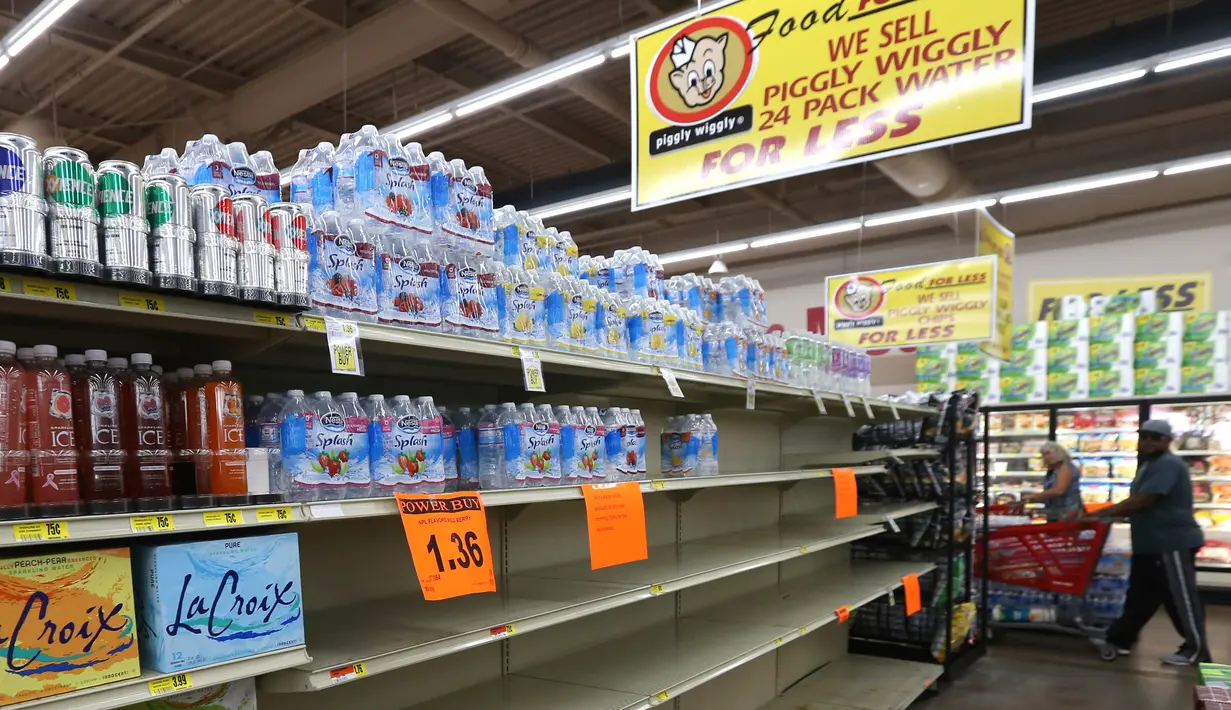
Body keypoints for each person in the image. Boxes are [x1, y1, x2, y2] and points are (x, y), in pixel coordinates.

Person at [1087, 419, 1209, 665]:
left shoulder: (1168, 464)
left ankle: (1197, 650)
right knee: (1141, 595)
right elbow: (1139, 504)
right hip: (1149, 542)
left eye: (1156, 437)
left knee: (1180, 598)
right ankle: (1120, 639)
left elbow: (1144, 501)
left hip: (1171, 543)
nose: (1149, 442)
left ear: (1168, 440)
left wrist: (1101, 513)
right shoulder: (1148, 465)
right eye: (1144, 436)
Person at [1023, 441, 1082, 521]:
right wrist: (1033, 501)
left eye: (1048, 453)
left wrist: (1036, 496)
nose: (1045, 457)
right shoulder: (1053, 471)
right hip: (1056, 514)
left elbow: (1059, 490)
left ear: (1059, 453)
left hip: (1068, 515)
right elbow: (1052, 496)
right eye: (1043, 455)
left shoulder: (1065, 468)